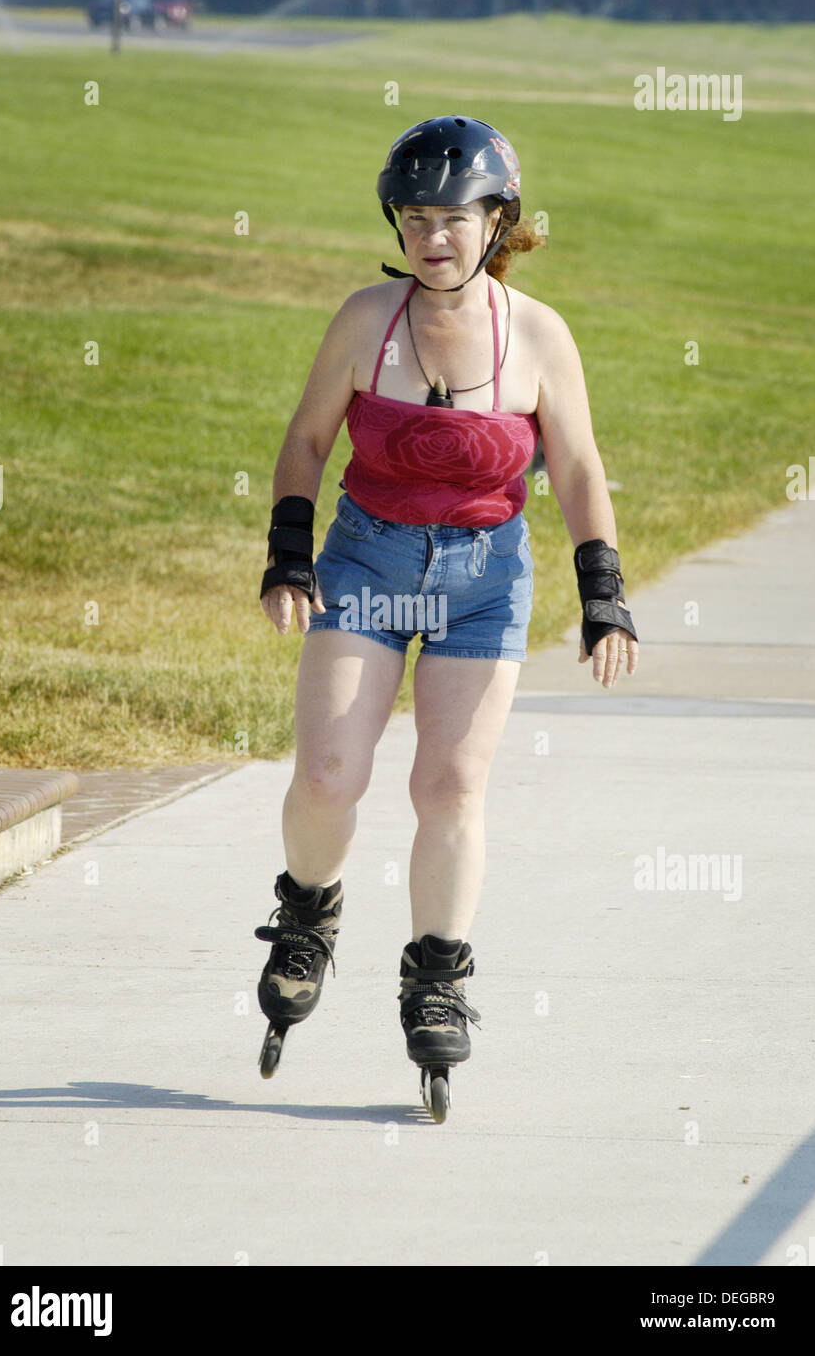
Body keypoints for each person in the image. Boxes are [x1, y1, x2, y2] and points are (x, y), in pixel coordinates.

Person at [255, 116, 639, 1119]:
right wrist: (288, 556)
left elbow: (582, 468)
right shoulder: (363, 320)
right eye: (416, 217)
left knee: (451, 782)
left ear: (497, 221)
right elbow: (304, 441)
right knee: (331, 773)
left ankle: (436, 976)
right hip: (368, 560)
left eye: (454, 218)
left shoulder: (538, 336)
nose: (433, 236)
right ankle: (307, 911)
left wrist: (604, 594)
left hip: (483, 577)